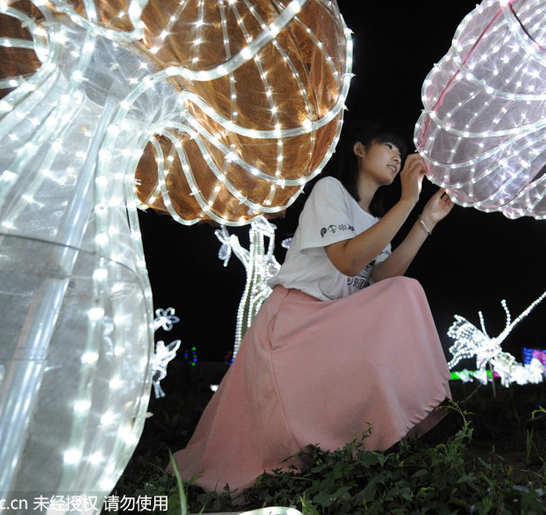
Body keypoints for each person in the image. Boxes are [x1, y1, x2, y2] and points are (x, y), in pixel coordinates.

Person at [172, 121, 455, 494]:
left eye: (401, 154)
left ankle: (421, 417)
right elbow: (348, 262)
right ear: (359, 149)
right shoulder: (330, 190)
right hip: (293, 323)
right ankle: (401, 427)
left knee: (404, 290)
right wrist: (407, 200)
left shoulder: (375, 222)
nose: (397, 157)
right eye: (388, 146)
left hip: (331, 323)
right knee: (404, 293)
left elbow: (382, 280)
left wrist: (425, 219)